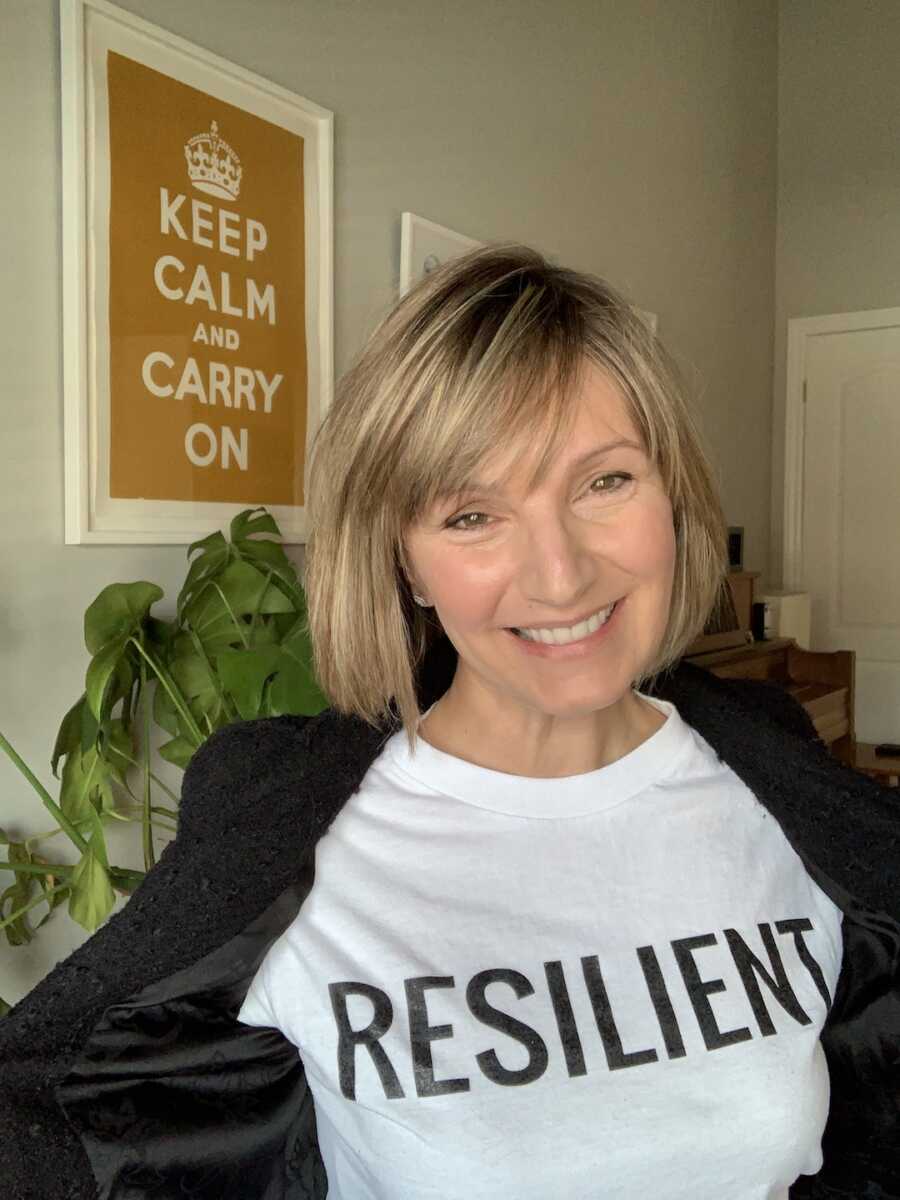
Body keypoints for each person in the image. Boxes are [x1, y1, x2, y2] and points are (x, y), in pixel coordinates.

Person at [0, 246, 897, 1200]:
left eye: (605, 483)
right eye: (472, 515)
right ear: (407, 565)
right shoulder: (292, 867)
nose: (560, 574)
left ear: (673, 495)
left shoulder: (785, 802)